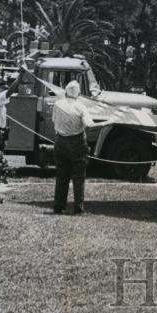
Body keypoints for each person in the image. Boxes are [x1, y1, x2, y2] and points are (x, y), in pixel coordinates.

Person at [52, 80, 95, 215]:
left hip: (60, 141)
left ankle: (59, 207)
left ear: (65, 92)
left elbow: (54, 120)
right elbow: (89, 125)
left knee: (61, 176)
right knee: (78, 177)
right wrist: (108, 122)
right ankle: (78, 208)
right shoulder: (81, 107)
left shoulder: (57, 105)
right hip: (77, 143)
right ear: (79, 93)